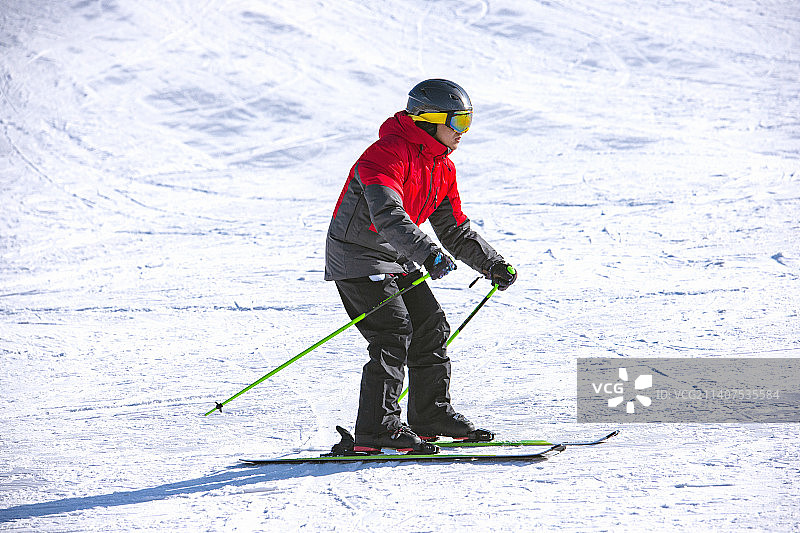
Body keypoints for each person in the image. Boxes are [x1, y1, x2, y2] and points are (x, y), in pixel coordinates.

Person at [324, 79, 517, 453]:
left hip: (397, 255)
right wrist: (427, 253)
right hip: (357, 255)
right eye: (458, 123)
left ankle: (430, 415)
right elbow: (388, 214)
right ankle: (376, 429)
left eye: (468, 123)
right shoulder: (384, 155)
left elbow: (454, 230)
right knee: (393, 331)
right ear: (430, 121)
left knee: (430, 324)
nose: (463, 133)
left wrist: (491, 264)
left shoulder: (442, 166)